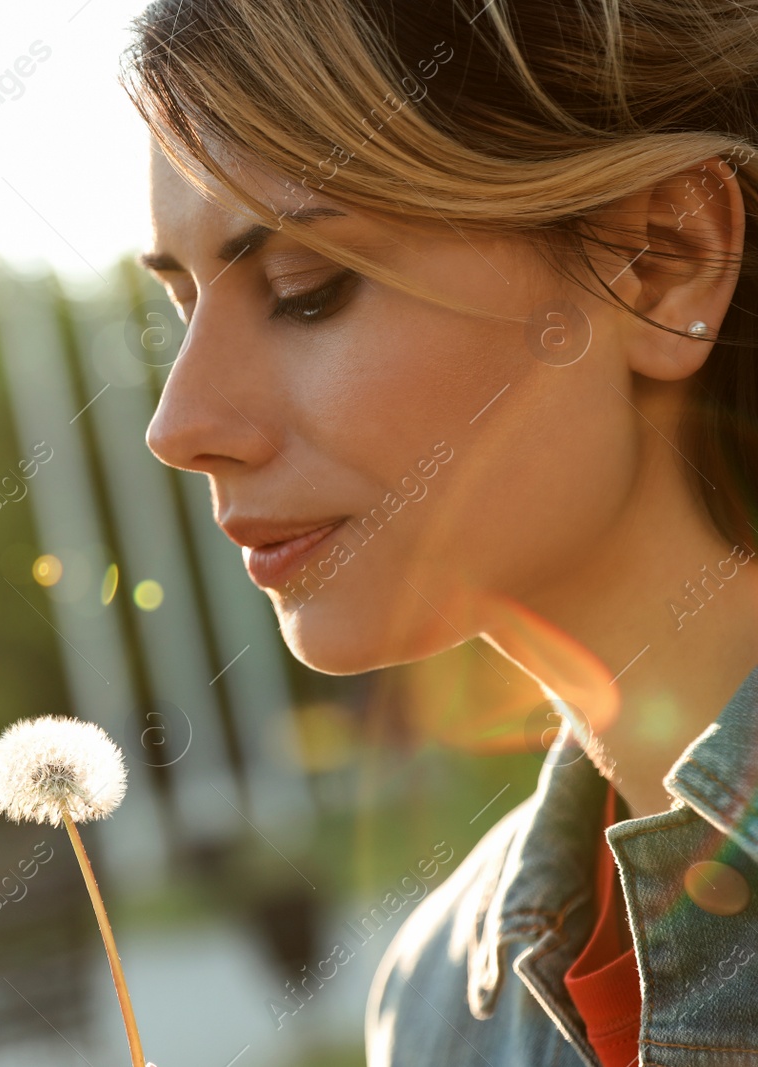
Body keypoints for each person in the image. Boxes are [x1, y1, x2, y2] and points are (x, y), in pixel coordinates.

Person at [121, 0, 758, 1063]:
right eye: (179, 310)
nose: (178, 427)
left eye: (303, 291)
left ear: (661, 259)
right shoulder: (433, 1006)